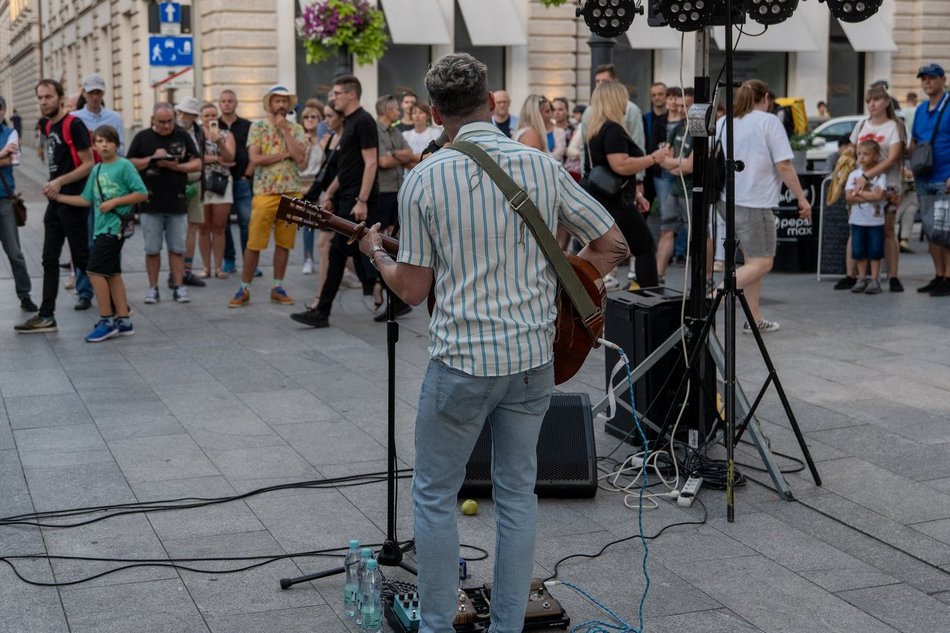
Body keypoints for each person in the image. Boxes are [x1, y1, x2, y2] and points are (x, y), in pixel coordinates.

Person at [356, 52, 627, 633]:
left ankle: (434, 626)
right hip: (532, 362)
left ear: (434, 112)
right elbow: (614, 247)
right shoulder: (538, 163)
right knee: (518, 493)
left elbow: (412, 287)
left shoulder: (425, 177)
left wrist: (377, 254)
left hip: (461, 362)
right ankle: (506, 626)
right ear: (490, 100)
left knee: (433, 496)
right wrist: (561, 287)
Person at [715, 79, 811, 333]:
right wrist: (801, 198)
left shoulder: (724, 122)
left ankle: (754, 318)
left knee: (751, 261)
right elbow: (784, 165)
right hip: (755, 203)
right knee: (762, 263)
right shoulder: (769, 121)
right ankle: (712, 298)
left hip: (729, 199)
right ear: (766, 97)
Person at [284, 75, 377, 326]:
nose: (333, 96)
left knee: (340, 252)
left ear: (351, 94)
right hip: (345, 196)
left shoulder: (364, 121)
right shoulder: (349, 123)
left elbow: (371, 163)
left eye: (337, 92)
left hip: (357, 199)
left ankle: (323, 309)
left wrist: (362, 200)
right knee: (349, 253)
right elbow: (345, 168)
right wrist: (330, 193)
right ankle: (382, 292)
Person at [52, 125, 147, 340]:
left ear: (116, 144)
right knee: (112, 274)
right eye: (99, 141)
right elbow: (86, 200)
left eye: (108, 141)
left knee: (94, 272)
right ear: (94, 146)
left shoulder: (124, 165)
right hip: (100, 229)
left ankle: (107, 319)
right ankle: (123, 321)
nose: (103, 145)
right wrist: (59, 198)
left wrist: (115, 201)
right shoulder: (96, 170)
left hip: (115, 229)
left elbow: (141, 193)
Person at [16, 79, 95, 334]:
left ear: (60, 97)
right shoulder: (48, 124)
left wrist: (59, 181)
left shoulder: (75, 124)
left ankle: (116, 306)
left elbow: (88, 163)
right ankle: (46, 315)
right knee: (49, 258)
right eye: (39, 97)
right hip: (55, 200)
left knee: (82, 257)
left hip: (73, 198)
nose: (43, 102)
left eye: (48, 97)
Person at [584, 80, 668, 290]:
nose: (626, 103)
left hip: (606, 197)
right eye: (624, 98)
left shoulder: (596, 129)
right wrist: (653, 158)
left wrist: (637, 195)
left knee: (613, 249)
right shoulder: (613, 129)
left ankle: (582, 287)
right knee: (645, 247)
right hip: (615, 201)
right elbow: (620, 165)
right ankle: (650, 299)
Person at [228, 85, 306, 307]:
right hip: (265, 192)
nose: (281, 105)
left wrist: (286, 132)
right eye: (277, 101)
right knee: (254, 242)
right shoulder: (258, 127)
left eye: (285, 101)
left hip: (291, 191)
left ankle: (278, 286)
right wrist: (284, 155)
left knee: (285, 243)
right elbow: (255, 159)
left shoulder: (296, 129)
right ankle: (244, 288)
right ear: (269, 103)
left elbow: (299, 157)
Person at [125, 102, 203, 304]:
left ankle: (178, 286)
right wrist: (152, 159)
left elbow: (198, 162)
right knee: (152, 248)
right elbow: (130, 163)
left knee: (177, 247)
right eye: (162, 122)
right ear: (153, 120)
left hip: (177, 200)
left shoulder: (182, 135)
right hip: (150, 201)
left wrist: (176, 166)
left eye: (170, 121)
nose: (167, 126)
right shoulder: (143, 137)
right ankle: (153, 288)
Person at [838, 84, 906, 292]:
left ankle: (892, 276)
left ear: (886, 101)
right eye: (869, 100)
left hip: (888, 184)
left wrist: (868, 175)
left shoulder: (894, 126)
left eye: (876, 99)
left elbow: (893, 158)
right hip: (858, 182)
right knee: (856, 227)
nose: (872, 104)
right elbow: (851, 150)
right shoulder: (862, 124)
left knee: (886, 230)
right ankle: (853, 275)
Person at [910, 62, 950, 297]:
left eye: (931, 78)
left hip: (944, 178)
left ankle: (948, 277)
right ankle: (938, 275)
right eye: (923, 78)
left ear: (943, 80)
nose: (927, 82)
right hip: (924, 176)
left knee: (946, 231)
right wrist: (911, 164)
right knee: (932, 230)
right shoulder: (921, 109)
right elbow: (915, 140)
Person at [0, 96, 37, 313]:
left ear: (3, 111)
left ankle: (25, 295)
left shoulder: (10, 133)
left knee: (14, 252)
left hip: (4, 200)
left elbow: (11, 160)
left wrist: (6, 156)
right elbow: (3, 158)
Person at [655, 88, 694, 283]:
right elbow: (662, 159)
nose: (680, 110)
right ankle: (658, 277)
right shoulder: (679, 128)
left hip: (694, 191)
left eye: (686, 106)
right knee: (666, 230)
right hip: (676, 188)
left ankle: (705, 279)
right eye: (679, 106)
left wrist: (676, 164)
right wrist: (678, 164)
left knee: (698, 235)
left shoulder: (698, 132)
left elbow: (690, 167)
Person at [197, 102, 236, 279]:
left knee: (219, 227)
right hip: (201, 182)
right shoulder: (195, 134)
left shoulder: (226, 134)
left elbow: (230, 157)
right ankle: (206, 267)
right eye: (207, 116)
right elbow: (195, 158)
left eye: (213, 115)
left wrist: (219, 142)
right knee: (204, 227)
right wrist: (217, 159)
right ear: (201, 117)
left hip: (221, 182)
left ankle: (219, 267)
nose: (210, 118)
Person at [845, 140, 888, 294]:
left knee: (875, 251)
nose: (861, 158)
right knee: (859, 250)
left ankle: (875, 279)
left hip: (876, 221)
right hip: (857, 220)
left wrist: (859, 192)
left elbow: (879, 195)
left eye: (866, 154)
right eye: (859, 154)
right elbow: (849, 197)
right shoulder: (853, 175)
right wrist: (870, 195)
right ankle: (862, 278)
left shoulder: (880, 175)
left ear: (875, 156)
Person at [218, 89, 254, 275]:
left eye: (230, 100)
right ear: (219, 103)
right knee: (222, 223)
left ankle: (249, 262)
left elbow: (255, 153)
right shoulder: (213, 125)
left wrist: (246, 175)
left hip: (241, 180)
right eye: (223, 101)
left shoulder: (247, 126)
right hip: (220, 181)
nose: (226, 104)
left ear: (236, 103)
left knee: (246, 222)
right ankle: (229, 261)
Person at [175, 97, 208, 288]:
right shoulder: (175, 131)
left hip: (196, 181)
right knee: (177, 228)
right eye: (182, 112)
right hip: (178, 181)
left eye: (188, 114)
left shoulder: (199, 131)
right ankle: (176, 271)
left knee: (193, 226)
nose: (184, 117)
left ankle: (187, 270)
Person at [299, 104, 324, 274]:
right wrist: (307, 150)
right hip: (303, 183)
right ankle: (308, 258)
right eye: (306, 117)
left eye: (313, 117)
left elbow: (326, 164)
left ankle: (325, 258)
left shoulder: (325, 139)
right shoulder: (300, 139)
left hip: (319, 182)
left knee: (324, 223)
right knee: (307, 223)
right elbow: (301, 166)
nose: (309, 120)